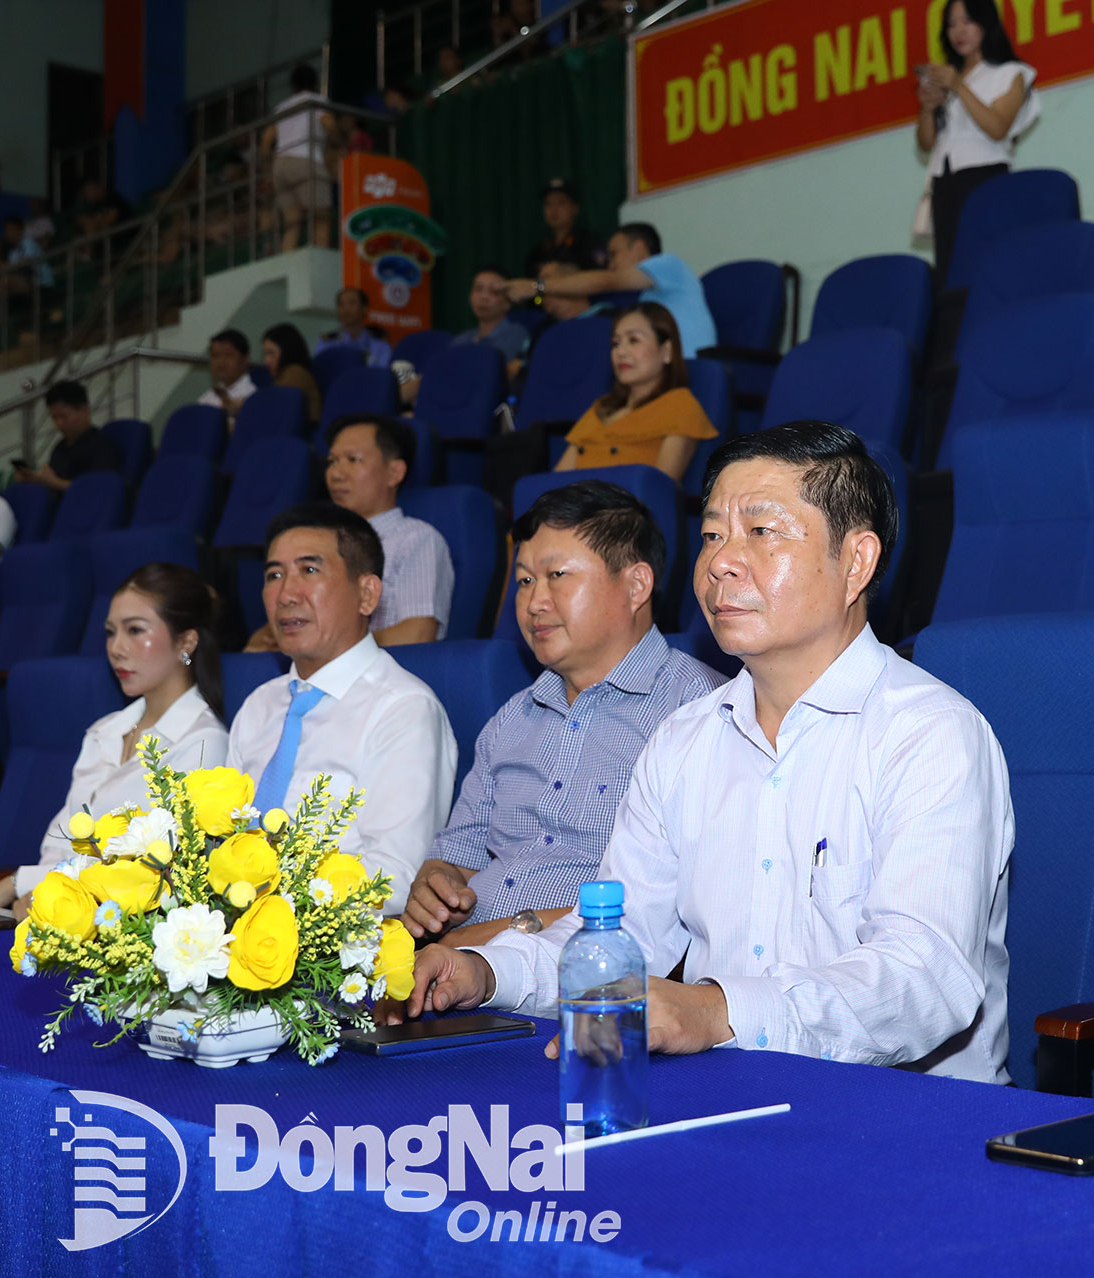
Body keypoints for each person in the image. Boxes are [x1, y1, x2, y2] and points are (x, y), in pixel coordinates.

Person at [395, 421, 1016, 1081]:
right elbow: (621, 936)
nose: (720, 559)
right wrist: (486, 969)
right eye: (714, 533)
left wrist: (717, 1010)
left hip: (907, 1119)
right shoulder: (684, 740)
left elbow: (924, 979)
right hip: (730, 1095)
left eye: (762, 531)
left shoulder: (930, 733)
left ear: (856, 562)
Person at [401, 481, 721, 947]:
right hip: (463, 958)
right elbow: (458, 857)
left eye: (557, 576)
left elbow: (680, 908)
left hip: (590, 975)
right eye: (525, 580)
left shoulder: (699, 709)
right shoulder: (512, 717)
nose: (534, 603)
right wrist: (435, 883)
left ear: (636, 585)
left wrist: (504, 936)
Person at [227, 502, 455, 912]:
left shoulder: (403, 710)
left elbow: (395, 879)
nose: (286, 594)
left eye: (309, 571)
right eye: (274, 575)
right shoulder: (259, 705)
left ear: (367, 593)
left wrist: (273, 908)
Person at [0, 563, 230, 913]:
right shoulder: (105, 730)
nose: (117, 648)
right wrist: (40, 891)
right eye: (110, 632)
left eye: (135, 630)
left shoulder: (204, 744)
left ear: (186, 641)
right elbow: (61, 839)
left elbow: (149, 866)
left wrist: (20, 882)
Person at [248, 413, 451, 648]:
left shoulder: (416, 539)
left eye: (353, 460)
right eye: (332, 461)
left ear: (394, 472)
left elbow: (417, 635)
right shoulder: (314, 542)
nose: (336, 474)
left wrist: (329, 647)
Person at [915, 0, 1040, 280]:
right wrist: (926, 107)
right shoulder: (947, 78)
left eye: (967, 21)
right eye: (951, 25)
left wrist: (959, 86)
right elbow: (925, 144)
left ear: (986, 23)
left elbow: (997, 127)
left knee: (986, 270)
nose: (958, 31)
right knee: (950, 274)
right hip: (944, 182)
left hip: (985, 180)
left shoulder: (1010, 73)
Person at [554, 303, 715, 481]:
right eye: (616, 343)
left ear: (667, 351)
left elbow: (659, 490)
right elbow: (555, 482)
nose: (621, 352)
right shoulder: (601, 408)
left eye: (634, 340)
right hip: (571, 505)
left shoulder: (681, 405)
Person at [508, 222, 718, 354]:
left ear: (639, 249)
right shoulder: (643, 298)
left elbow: (605, 281)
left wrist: (536, 287)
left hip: (691, 370)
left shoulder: (669, 264)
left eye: (614, 254)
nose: (610, 265)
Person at [262, 66, 335, 250]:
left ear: (292, 86)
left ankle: (288, 266)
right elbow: (329, 125)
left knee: (292, 224)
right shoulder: (316, 100)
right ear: (316, 84)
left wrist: (268, 163)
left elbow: (266, 139)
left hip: (280, 166)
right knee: (321, 219)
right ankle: (319, 266)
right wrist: (339, 144)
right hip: (305, 160)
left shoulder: (282, 107)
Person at [20, 381, 123, 493]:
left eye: (64, 416)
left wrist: (56, 483)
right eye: (54, 418)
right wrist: (35, 480)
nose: (59, 423)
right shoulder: (59, 448)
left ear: (84, 410)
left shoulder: (100, 445)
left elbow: (100, 489)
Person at [523, 178, 606, 278]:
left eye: (561, 203)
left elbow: (599, 278)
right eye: (548, 204)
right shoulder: (538, 252)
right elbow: (531, 287)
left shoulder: (589, 242)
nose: (554, 210)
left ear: (575, 208)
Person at [454, 264, 531, 365]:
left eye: (494, 292)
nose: (484, 297)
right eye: (478, 289)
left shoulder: (516, 335)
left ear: (508, 302)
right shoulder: (461, 341)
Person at [261, 322, 322, 426]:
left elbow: (275, 408)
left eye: (271, 353)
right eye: (265, 354)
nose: (266, 361)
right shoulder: (280, 375)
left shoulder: (296, 373)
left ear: (287, 351)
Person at [317, 287, 393, 368]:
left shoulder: (380, 346)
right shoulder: (327, 343)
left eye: (352, 303)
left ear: (364, 309)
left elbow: (383, 377)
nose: (346, 309)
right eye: (341, 304)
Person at [197, 329, 258, 424]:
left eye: (228, 355)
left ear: (245, 360)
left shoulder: (253, 395)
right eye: (215, 355)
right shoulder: (206, 398)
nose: (221, 362)